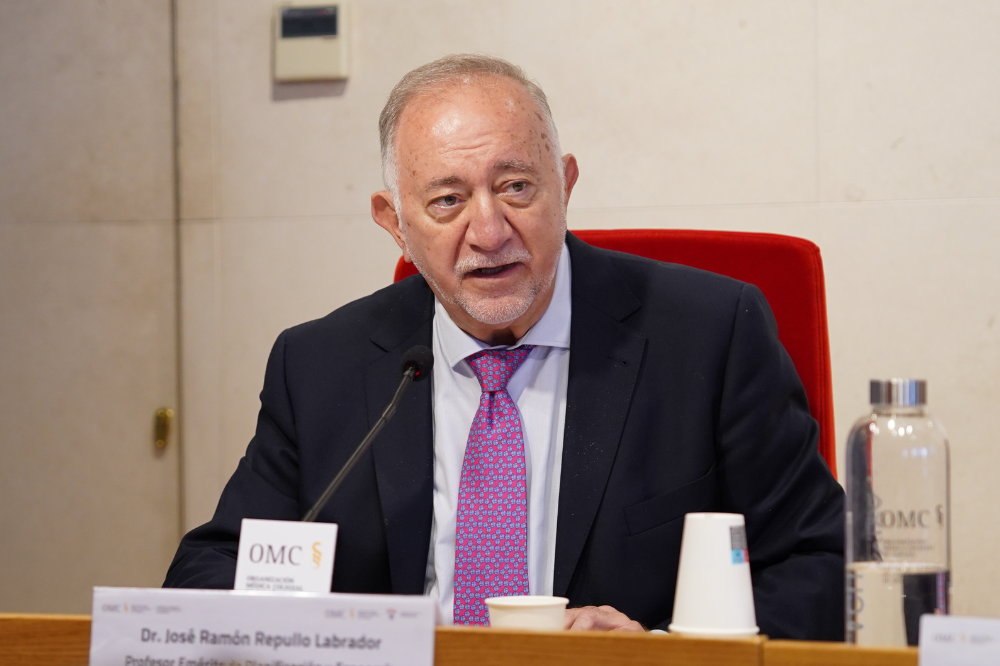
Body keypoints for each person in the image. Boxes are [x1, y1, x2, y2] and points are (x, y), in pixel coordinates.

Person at [164, 54, 845, 638]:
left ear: (565, 184)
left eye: (516, 187)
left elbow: (821, 562)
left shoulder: (707, 337)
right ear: (393, 222)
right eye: (447, 201)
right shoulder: (322, 366)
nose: (489, 232)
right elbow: (212, 572)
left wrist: (660, 651)